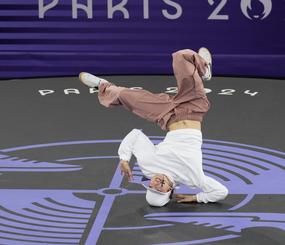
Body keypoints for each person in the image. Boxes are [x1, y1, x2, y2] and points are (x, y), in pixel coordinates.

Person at [79, 48, 228, 207]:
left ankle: (103, 86)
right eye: (159, 189)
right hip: (193, 107)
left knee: (124, 96)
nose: (155, 184)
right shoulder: (193, 179)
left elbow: (136, 135)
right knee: (182, 56)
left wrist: (124, 158)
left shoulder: (148, 166)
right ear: (170, 190)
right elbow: (221, 192)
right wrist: (197, 198)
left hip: (166, 114)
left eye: (150, 187)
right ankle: (205, 71)